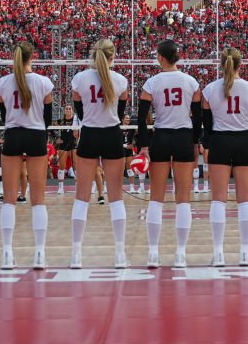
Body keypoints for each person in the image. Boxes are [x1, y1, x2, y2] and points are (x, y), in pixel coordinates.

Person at [137, 40, 202, 269]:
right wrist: (196, 143)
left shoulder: (152, 83)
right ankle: (180, 253)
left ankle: (153, 253)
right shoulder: (191, 82)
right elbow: (198, 118)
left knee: (156, 198)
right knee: (183, 198)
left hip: (162, 136)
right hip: (184, 136)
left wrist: (143, 146)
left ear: (161, 58)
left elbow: (141, 118)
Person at [70, 39, 129, 269]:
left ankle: (76, 254)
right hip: (112, 134)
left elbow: (78, 107)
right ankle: (120, 254)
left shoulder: (80, 78)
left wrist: (89, 116)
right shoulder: (120, 80)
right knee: (116, 197)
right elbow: (121, 109)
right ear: (113, 56)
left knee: (82, 196)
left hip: (90, 134)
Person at [0, 41, 54, 269]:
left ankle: (7, 253)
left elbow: (2, 109)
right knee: (38, 198)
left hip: (13, 133)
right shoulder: (43, 82)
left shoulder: (4, 82)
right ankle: (40, 253)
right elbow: (48, 116)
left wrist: (13, 119)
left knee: (9, 198)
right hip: (36, 133)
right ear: (33, 57)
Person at [202, 48, 248, 266]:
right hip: (244, 141)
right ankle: (245, 253)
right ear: (240, 65)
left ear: (221, 64)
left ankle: (218, 254)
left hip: (220, 141)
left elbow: (207, 126)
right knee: (245, 200)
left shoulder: (209, 90)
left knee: (218, 200)